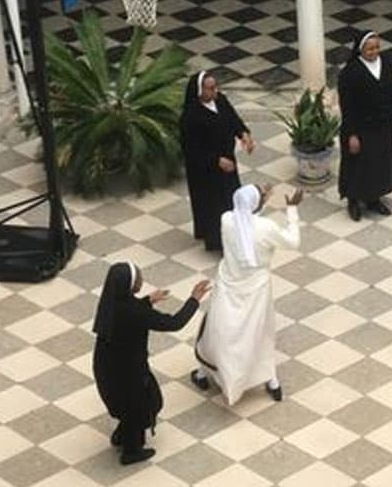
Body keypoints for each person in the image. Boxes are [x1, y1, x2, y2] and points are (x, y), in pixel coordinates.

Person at [193, 184, 302, 403]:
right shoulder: (267, 228)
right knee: (259, 333)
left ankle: (204, 372)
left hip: (228, 285)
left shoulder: (227, 220)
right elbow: (293, 242)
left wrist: (259, 199)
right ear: (256, 204)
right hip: (256, 289)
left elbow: (243, 216)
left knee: (218, 330)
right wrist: (291, 209)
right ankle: (271, 380)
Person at [92, 262, 210, 465]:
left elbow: (130, 311)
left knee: (129, 404)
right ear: (129, 285)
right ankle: (131, 451)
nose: (141, 281)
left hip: (106, 366)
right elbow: (174, 323)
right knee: (142, 404)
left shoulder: (111, 303)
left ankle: (122, 435)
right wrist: (194, 299)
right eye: (138, 279)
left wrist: (147, 300)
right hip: (128, 372)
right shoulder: (135, 312)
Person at [180, 71, 254, 251]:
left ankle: (237, 235)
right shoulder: (191, 116)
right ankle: (217, 242)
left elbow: (233, 119)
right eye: (210, 88)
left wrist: (243, 134)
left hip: (227, 161)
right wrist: (216, 160)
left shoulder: (220, 100)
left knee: (231, 198)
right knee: (213, 206)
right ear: (199, 90)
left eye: (216, 87)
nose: (215, 91)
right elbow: (191, 148)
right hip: (205, 170)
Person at [338, 30, 392, 222]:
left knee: (379, 163)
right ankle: (353, 200)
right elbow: (347, 106)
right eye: (370, 48)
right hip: (360, 128)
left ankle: (373, 199)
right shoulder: (350, 73)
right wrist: (352, 135)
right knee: (358, 165)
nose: (374, 52)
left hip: (382, 126)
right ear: (361, 50)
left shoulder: (386, 64)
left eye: (377, 47)